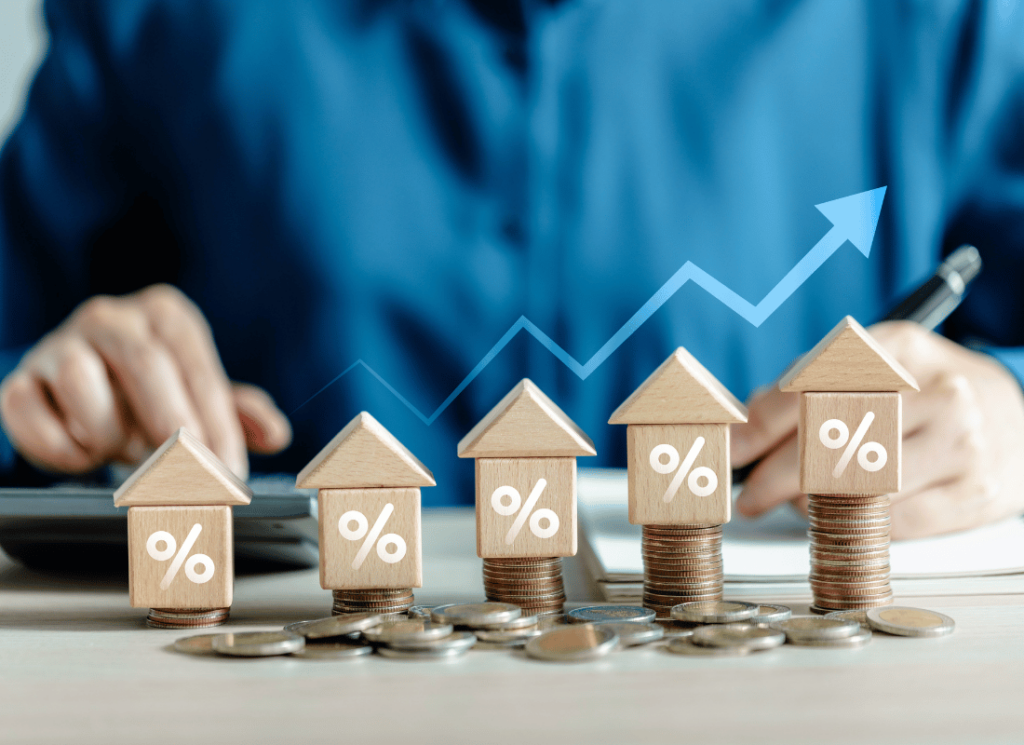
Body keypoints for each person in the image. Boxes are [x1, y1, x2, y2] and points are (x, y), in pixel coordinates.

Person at [0, 0, 1022, 539]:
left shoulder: (936, 19)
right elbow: (15, 356)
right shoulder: (151, 18)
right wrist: (51, 392)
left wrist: (1011, 411)